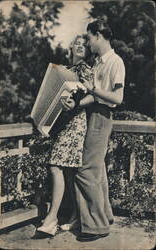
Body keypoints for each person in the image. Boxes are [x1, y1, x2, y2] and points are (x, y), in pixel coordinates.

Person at [32, 34, 94, 239]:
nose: (79, 46)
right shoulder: (67, 70)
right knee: (68, 172)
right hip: (64, 124)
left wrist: (75, 104)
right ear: (71, 47)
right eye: (76, 43)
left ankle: (51, 220)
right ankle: (76, 216)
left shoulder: (85, 68)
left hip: (75, 124)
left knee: (55, 165)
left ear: (89, 49)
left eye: (84, 44)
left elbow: (91, 95)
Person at [74, 19, 126, 242]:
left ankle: (96, 226)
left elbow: (117, 98)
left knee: (84, 170)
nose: (87, 43)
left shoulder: (115, 61)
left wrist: (92, 88)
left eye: (89, 38)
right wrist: (76, 104)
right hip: (93, 113)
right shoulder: (98, 62)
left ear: (98, 35)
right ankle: (105, 215)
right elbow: (93, 95)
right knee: (97, 170)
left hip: (102, 117)